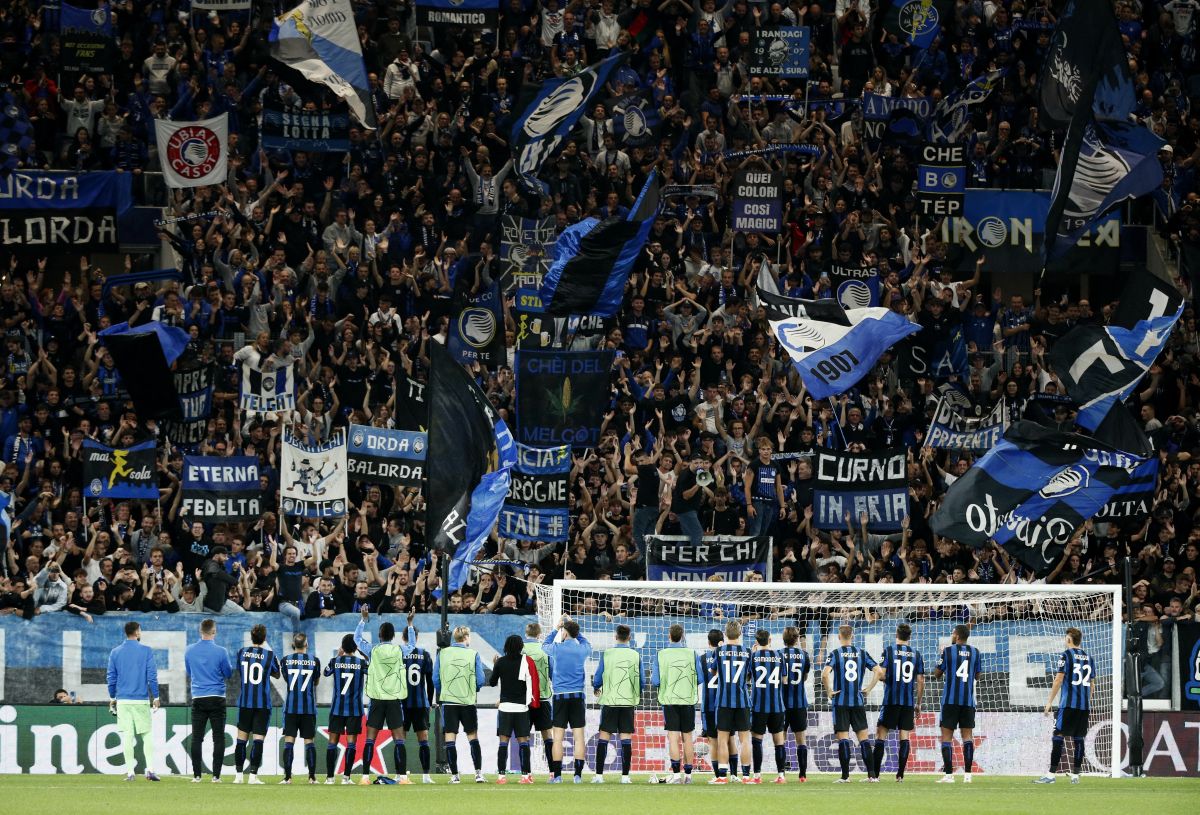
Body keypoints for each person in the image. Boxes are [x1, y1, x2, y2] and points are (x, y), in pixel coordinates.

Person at [354, 606, 408, 784]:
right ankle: (402, 777)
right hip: (393, 699)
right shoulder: (399, 650)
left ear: (380, 635)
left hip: (376, 700)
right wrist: (410, 624)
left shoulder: (372, 650)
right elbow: (413, 645)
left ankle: (364, 777)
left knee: (370, 739)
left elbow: (356, 639)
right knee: (399, 739)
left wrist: (363, 620)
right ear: (393, 636)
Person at [1035, 627, 1093, 785]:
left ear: (1069, 639)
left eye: (1065, 638)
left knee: (1058, 736)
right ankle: (1075, 776)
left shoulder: (1066, 655)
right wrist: (1087, 701)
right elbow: (1092, 683)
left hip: (1067, 705)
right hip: (1083, 706)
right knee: (1079, 739)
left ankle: (1051, 775)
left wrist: (1049, 702)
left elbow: (1059, 680)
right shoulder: (1089, 657)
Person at [822, 624, 880, 783]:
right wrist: (868, 688)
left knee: (843, 739)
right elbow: (879, 671)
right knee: (864, 739)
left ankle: (845, 777)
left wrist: (829, 691)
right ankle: (872, 776)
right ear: (852, 636)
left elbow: (825, 674)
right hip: (857, 702)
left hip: (840, 702)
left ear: (839, 637)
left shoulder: (835, 653)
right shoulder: (862, 653)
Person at [106, 620, 160, 782]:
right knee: (147, 734)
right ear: (137, 632)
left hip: (123, 700)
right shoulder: (146, 651)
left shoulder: (115, 652)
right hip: (141, 699)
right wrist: (156, 697)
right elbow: (151, 676)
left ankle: (130, 772)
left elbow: (111, 677)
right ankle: (150, 770)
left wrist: (112, 697)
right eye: (140, 630)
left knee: (127, 736)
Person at [872, 623, 925, 782]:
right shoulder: (916, 654)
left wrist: (887, 678)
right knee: (904, 737)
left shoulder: (889, 651)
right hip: (908, 703)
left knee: (881, 735)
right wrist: (918, 703)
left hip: (891, 700)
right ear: (910, 636)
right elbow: (921, 680)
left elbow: (881, 675)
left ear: (897, 634)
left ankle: (875, 775)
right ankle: (900, 775)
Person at [434, 624, 487, 783]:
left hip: (449, 702)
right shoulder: (473, 654)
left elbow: (436, 679)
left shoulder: (442, 653)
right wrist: (472, 689)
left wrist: (444, 692)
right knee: (473, 737)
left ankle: (455, 775)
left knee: (450, 738)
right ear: (466, 637)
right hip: (467, 702)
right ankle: (478, 774)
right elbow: (481, 679)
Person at [542, 615, 591, 783]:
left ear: (564, 634)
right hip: (577, 696)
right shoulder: (582, 649)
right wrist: (575, 631)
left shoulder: (556, 648)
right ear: (576, 634)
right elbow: (586, 643)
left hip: (560, 697)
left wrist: (557, 628)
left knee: (558, 738)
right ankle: (577, 775)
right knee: (579, 737)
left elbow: (544, 645)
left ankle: (557, 776)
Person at [650, 622, 700, 784]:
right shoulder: (692, 654)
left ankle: (677, 775)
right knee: (687, 738)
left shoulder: (661, 654)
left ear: (669, 636)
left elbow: (655, 681)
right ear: (683, 636)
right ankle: (689, 776)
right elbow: (700, 678)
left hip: (670, 701)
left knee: (673, 738)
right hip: (687, 701)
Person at [184, 618, 233, 783]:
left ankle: (197, 775)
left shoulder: (189, 650)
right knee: (218, 737)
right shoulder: (221, 651)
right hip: (217, 697)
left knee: (197, 738)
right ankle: (216, 776)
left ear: (200, 631)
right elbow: (228, 673)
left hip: (198, 697)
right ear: (214, 631)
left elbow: (190, 672)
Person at [591, 623, 640, 783]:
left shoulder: (608, 654)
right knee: (625, 737)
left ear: (615, 636)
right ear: (629, 638)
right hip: (627, 702)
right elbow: (642, 680)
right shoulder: (635, 655)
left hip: (610, 701)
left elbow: (598, 676)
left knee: (604, 736)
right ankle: (625, 777)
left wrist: (596, 686)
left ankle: (599, 776)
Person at [489, 633, 540, 784]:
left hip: (505, 707)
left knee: (503, 741)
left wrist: (495, 665)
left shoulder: (501, 662)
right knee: (523, 741)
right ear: (521, 647)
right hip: (521, 708)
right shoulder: (526, 661)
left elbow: (492, 683)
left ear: (506, 646)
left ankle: (501, 777)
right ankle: (525, 776)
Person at [233, 623, 280, 784]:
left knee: (241, 739)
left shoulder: (241, 652)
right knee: (258, 739)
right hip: (262, 704)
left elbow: (240, 669)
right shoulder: (269, 655)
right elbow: (277, 674)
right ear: (264, 638)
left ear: (251, 637)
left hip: (245, 702)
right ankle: (253, 776)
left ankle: (238, 776)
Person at [935, 623, 982, 784]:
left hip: (950, 701)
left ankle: (949, 775)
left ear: (957, 635)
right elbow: (978, 676)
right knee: (967, 736)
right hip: (968, 702)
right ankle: (968, 775)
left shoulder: (948, 651)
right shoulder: (976, 652)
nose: (952, 635)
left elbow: (937, 674)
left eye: (953, 633)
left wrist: (943, 658)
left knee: (946, 737)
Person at [710, 620, 752, 785]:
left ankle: (722, 776)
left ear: (725, 634)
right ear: (740, 634)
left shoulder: (719, 651)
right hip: (742, 700)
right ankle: (747, 776)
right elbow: (749, 676)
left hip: (724, 701)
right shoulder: (747, 651)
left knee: (722, 739)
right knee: (744, 739)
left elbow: (713, 671)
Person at [323, 633, 367, 784]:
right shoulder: (361, 664)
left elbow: (325, 672)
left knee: (332, 742)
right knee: (351, 743)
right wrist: (364, 655)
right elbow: (373, 671)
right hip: (354, 709)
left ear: (343, 646)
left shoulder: (335, 661)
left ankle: (329, 778)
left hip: (337, 709)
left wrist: (337, 655)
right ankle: (346, 777)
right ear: (355, 647)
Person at [280, 632, 321, 784]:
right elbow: (316, 682)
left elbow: (286, 679)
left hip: (291, 708)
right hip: (308, 708)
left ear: (293, 645)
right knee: (309, 741)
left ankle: (288, 777)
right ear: (306, 644)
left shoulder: (285, 661)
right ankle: (312, 777)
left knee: (289, 741)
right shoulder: (314, 661)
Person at [399, 612, 435, 783]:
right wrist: (429, 701)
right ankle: (426, 775)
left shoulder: (398, 653)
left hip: (402, 703)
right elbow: (430, 681)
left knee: (401, 739)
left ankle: (401, 775)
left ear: (402, 637)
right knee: (424, 740)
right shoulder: (425, 655)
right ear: (416, 637)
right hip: (421, 703)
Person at [750, 629, 786, 784]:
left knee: (756, 740)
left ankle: (757, 776)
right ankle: (781, 775)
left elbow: (747, 677)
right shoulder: (779, 656)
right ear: (770, 640)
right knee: (779, 740)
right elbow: (784, 680)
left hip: (759, 705)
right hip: (777, 705)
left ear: (757, 642)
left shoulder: (753, 657)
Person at [522, 622, 555, 778]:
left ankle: (526, 773)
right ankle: (553, 772)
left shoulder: (519, 649)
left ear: (525, 633)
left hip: (524, 700)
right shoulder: (546, 650)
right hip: (542, 698)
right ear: (539, 634)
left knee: (524, 736)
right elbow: (553, 674)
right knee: (547, 735)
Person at [779, 626, 811, 782]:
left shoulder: (778, 654)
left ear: (783, 639)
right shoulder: (804, 655)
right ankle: (803, 775)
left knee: (781, 739)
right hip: (799, 702)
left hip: (781, 703)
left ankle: (782, 774)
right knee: (801, 740)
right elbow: (805, 677)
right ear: (797, 639)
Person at [699, 628, 724, 780]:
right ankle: (733, 774)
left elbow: (699, 679)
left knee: (713, 741)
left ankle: (717, 776)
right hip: (724, 704)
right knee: (728, 740)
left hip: (708, 705)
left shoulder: (701, 659)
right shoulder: (726, 656)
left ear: (708, 642)